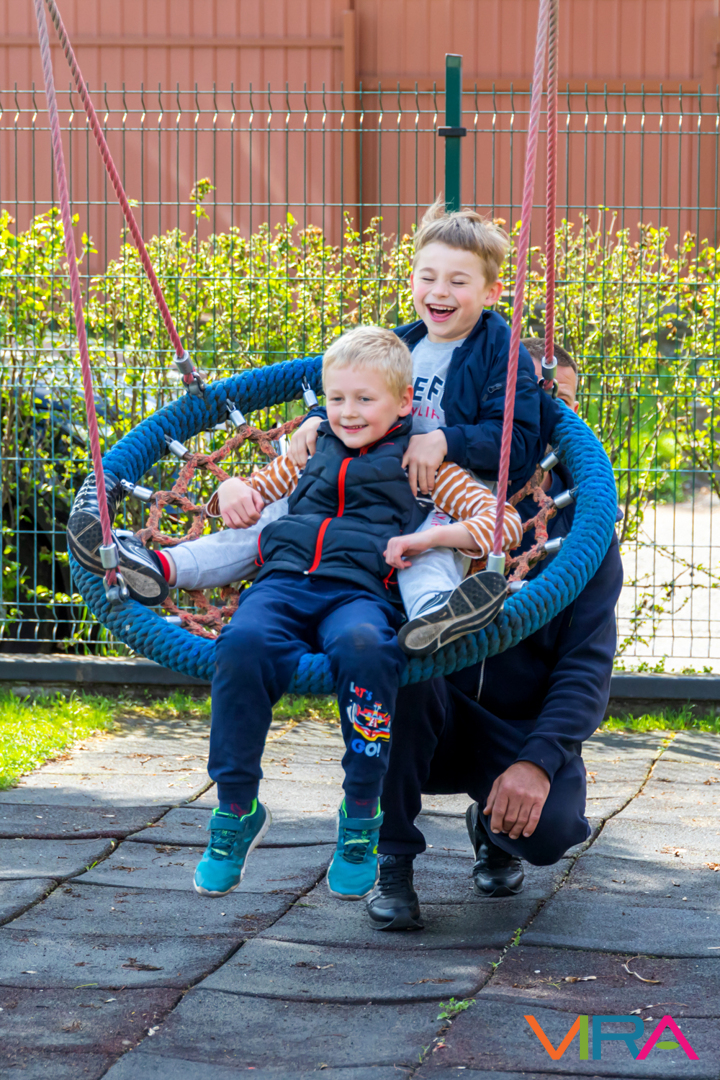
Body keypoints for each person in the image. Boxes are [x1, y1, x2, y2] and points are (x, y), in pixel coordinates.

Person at [67, 199, 544, 660]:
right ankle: (157, 565)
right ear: (412, 279)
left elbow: (519, 445)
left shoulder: (503, 354)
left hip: (443, 493)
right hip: (361, 474)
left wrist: (445, 440)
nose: (439, 292)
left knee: (426, 555)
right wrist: (317, 421)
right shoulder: (402, 342)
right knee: (273, 522)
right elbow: (353, 392)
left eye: (458, 282)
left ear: (491, 292)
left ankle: (434, 616)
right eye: (428, 277)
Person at [364, 337, 624, 931]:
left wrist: (539, 759)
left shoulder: (583, 528)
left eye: (560, 402)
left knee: (551, 831)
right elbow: (350, 403)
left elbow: (587, 664)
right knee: (402, 664)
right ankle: (393, 859)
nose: (543, 415)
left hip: (516, 724)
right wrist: (310, 426)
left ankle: (493, 828)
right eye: (523, 398)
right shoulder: (420, 489)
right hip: (431, 711)